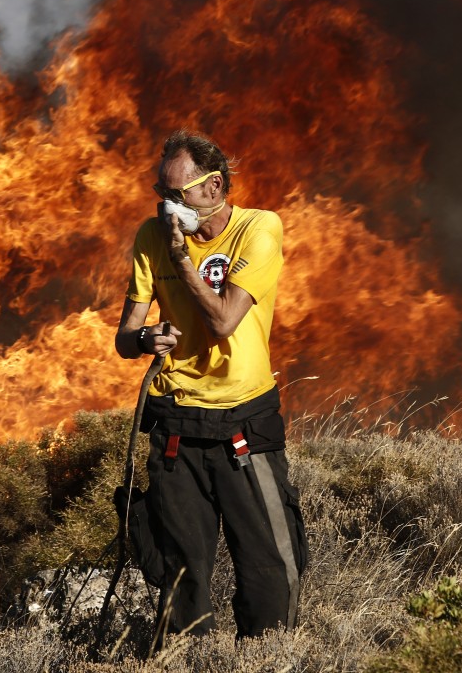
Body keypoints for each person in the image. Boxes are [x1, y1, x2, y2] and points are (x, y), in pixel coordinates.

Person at [114, 129, 307, 640]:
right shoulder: (150, 237)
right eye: (161, 194)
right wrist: (144, 339)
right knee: (180, 577)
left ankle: (267, 659)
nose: (166, 207)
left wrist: (182, 259)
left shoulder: (258, 230)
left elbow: (224, 321)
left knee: (268, 570)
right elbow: (125, 335)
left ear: (214, 187)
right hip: (176, 428)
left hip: (244, 425)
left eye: (178, 196)